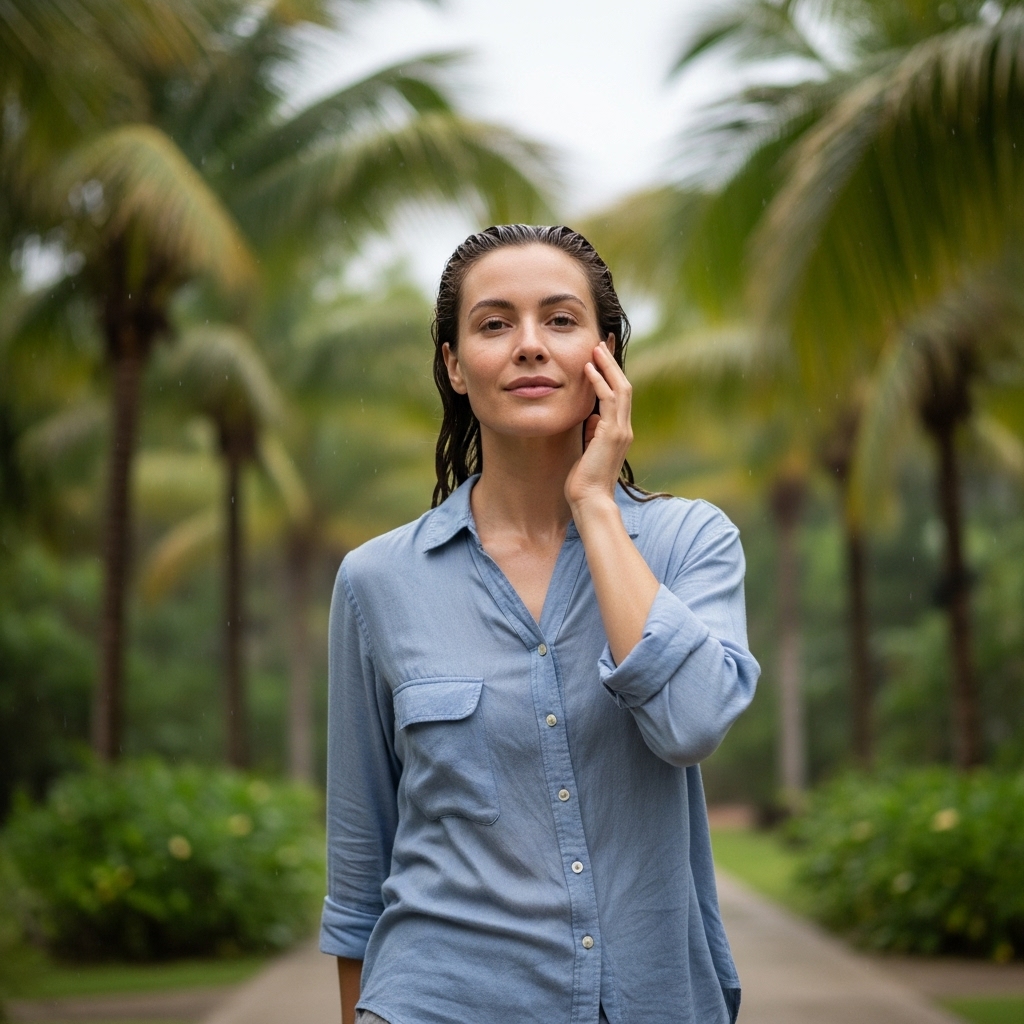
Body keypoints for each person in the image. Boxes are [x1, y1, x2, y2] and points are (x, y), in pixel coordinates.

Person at [319, 224, 760, 1024]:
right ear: (455, 365)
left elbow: (690, 724)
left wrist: (594, 506)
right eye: (493, 324)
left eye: (560, 320)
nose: (529, 346)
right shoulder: (376, 581)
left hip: (654, 1001)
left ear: (606, 352)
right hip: (436, 1001)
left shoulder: (690, 542)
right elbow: (359, 864)